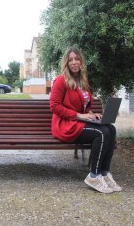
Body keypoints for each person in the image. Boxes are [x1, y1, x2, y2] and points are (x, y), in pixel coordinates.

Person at [49, 47, 121, 194]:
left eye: (77, 59)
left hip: (78, 121)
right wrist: (80, 115)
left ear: (81, 61)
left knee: (110, 129)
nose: (74, 62)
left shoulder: (83, 81)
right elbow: (54, 106)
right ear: (66, 63)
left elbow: (83, 107)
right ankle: (93, 176)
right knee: (100, 133)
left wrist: (91, 114)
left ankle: (105, 173)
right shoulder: (61, 80)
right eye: (70, 60)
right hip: (66, 124)